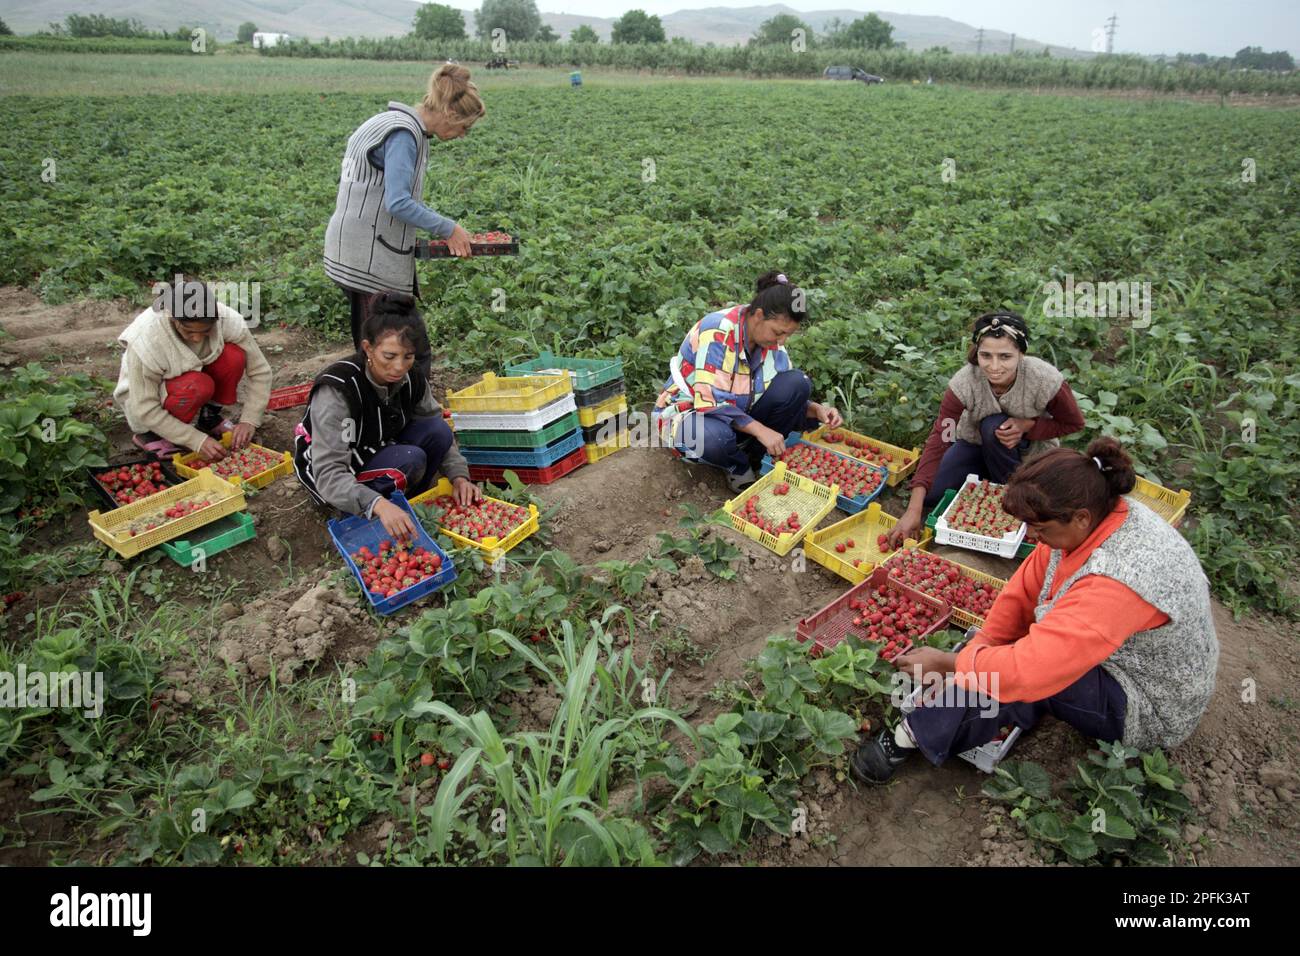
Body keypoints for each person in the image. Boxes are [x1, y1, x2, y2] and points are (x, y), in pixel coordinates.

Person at [852, 437, 1219, 784]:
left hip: (1147, 701)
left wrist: (953, 665)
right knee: (1010, 655)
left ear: (1080, 519)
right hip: (1118, 651)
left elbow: (1029, 669)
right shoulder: (1096, 510)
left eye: (1039, 528)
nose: (1032, 537)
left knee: (1026, 677)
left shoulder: (1119, 577)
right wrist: (981, 646)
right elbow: (1023, 592)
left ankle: (908, 736)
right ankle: (967, 704)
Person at [323, 63, 487, 367]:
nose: (462, 135)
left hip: (354, 247)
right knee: (402, 350)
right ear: (450, 114)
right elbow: (397, 202)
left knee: (385, 346)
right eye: (464, 127)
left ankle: (393, 409)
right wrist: (448, 228)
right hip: (367, 260)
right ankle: (394, 411)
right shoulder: (403, 135)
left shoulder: (389, 121)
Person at [293, 291, 480, 542]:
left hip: (380, 445)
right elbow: (328, 471)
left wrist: (459, 476)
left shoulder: (411, 378)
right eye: (389, 356)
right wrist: (377, 504)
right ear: (368, 348)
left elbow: (436, 425)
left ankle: (404, 503)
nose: (399, 367)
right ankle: (359, 514)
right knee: (410, 459)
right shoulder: (340, 390)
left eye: (408, 357)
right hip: (335, 467)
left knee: (438, 431)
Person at [887, 311, 1084, 548]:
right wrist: (914, 509)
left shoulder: (1044, 379)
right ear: (977, 353)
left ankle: (1011, 491)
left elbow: (1073, 423)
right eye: (986, 356)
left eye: (1005, 357)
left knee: (994, 427)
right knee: (930, 493)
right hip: (975, 446)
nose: (994, 366)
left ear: (1021, 354)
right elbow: (941, 439)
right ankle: (985, 480)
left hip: (1025, 452)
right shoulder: (964, 383)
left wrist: (1029, 426)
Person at [653, 271, 843, 492]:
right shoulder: (718, 331)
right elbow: (710, 403)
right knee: (711, 436)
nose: (781, 341)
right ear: (759, 315)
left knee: (797, 383)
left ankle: (756, 456)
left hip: (739, 411)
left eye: (788, 335)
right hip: (694, 413)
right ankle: (736, 465)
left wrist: (817, 409)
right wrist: (762, 430)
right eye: (778, 332)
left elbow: (776, 391)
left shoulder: (769, 341)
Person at [114, 275, 272, 459]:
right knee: (197, 385)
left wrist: (249, 420)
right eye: (189, 331)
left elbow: (260, 371)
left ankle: (209, 418)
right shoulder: (146, 338)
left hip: (193, 375)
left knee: (233, 357)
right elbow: (145, 407)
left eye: (205, 331)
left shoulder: (226, 319)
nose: (197, 338)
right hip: (147, 396)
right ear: (173, 318)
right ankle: (151, 435)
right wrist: (195, 440)